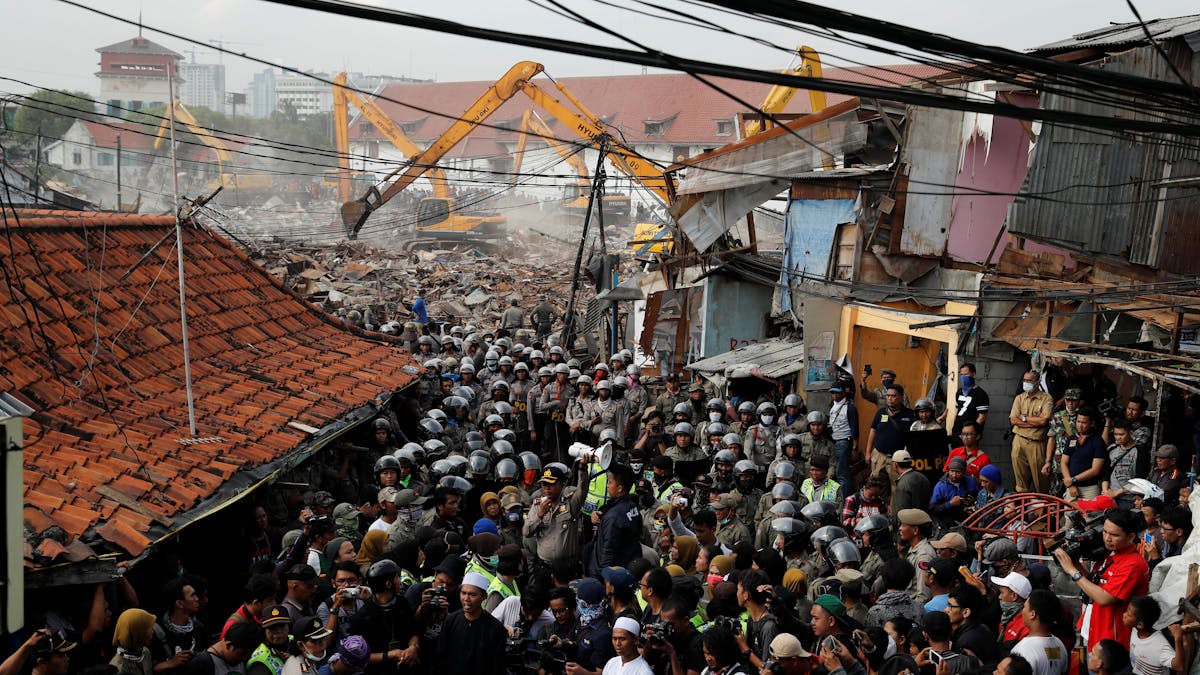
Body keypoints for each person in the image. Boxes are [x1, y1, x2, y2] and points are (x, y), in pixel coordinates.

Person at [1052, 508, 1150, 651]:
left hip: (1112, 642)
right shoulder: (1109, 553)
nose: (1107, 538)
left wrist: (1073, 571)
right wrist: (1076, 563)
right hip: (1094, 631)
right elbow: (1094, 583)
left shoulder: (1133, 564)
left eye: (1114, 535)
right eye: (1105, 532)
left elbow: (1105, 598)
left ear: (1130, 537)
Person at [436, 572, 507, 675]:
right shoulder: (451, 621)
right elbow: (441, 657)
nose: (466, 599)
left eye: (472, 595)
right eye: (463, 593)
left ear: (484, 596)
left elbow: (497, 666)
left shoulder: (495, 628)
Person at [586, 463, 643, 575]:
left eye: (610, 482)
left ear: (620, 488)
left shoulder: (613, 517)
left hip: (613, 574)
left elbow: (608, 551)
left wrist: (605, 576)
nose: (607, 485)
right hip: (628, 567)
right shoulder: (632, 506)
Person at [1008, 371, 1053, 493]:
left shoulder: (1046, 399)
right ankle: (1023, 508)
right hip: (1019, 440)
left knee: (1041, 481)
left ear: (1037, 383)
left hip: (1036, 443)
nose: (1025, 383)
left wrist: (1023, 418)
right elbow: (1013, 419)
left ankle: (1042, 508)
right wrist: (1033, 421)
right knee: (1021, 482)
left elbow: (1043, 421)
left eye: (1029, 381)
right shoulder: (1020, 398)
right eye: (1025, 380)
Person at [866, 386, 917, 492]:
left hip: (897, 459)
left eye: (893, 396)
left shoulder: (910, 415)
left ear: (901, 397)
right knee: (875, 486)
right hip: (879, 456)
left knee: (897, 488)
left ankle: (894, 508)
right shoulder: (881, 413)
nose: (890, 398)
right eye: (888, 396)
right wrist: (868, 453)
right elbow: (873, 431)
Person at [1010, 589, 1068, 675]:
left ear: (1032, 614)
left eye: (1025, 606)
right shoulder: (1059, 645)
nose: (1022, 611)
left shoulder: (1022, 650)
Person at [1123, 596, 1179, 675]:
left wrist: (1178, 638)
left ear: (1140, 624)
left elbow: (1179, 666)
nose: (1124, 615)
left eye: (1128, 614)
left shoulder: (1160, 646)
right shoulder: (1135, 629)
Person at [1060, 408, 1107, 501]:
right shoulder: (1071, 439)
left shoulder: (1098, 441)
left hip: (1090, 488)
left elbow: (1095, 469)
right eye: (1078, 421)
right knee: (1069, 514)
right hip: (1071, 487)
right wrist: (1070, 483)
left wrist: (1073, 480)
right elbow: (1064, 462)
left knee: (1089, 514)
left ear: (1092, 423)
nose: (1080, 425)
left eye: (1084, 423)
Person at [180, 622, 260, 675]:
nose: (244, 658)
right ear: (228, 645)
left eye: (248, 655)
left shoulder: (242, 660)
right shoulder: (202, 664)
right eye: (241, 654)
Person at [827, 385, 859, 492]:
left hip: (844, 442)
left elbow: (855, 429)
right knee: (835, 470)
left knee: (842, 473)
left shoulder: (850, 408)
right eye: (833, 393)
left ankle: (845, 500)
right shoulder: (832, 406)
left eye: (837, 392)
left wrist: (854, 448)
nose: (835, 395)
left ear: (843, 393)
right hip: (833, 442)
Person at [949, 363, 989, 441]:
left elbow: (982, 417)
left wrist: (971, 432)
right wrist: (954, 427)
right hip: (957, 432)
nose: (963, 377)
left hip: (969, 435)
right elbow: (958, 410)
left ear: (973, 374)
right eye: (962, 374)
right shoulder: (959, 392)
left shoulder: (980, 394)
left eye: (966, 374)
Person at [112, 609, 156, 675]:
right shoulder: (119, 669)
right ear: (137, 634)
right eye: (147, 628)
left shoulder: (145, 652)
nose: (152, 632)